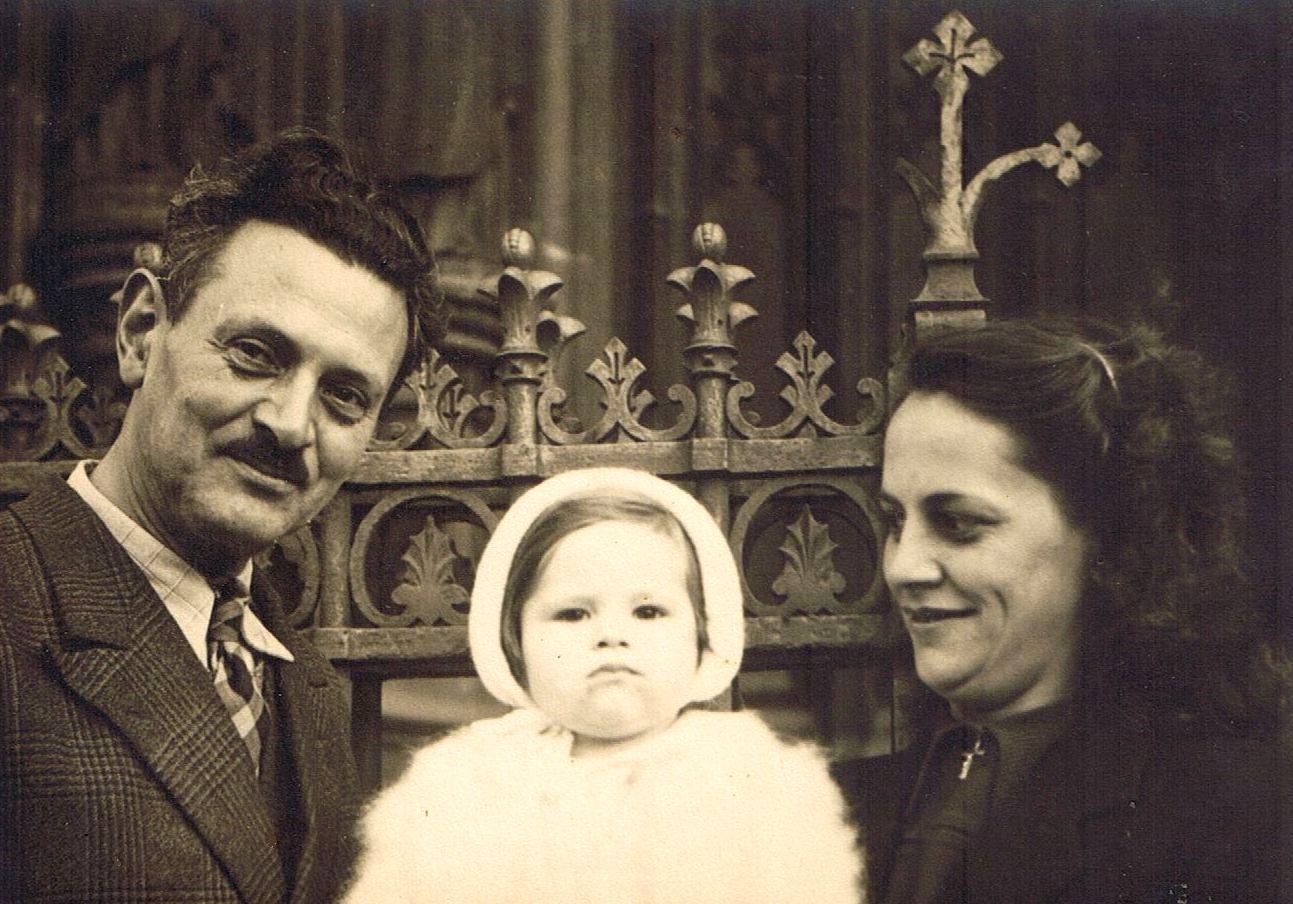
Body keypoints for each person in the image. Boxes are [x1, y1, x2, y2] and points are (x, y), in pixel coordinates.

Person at [0, 129, 442, 904]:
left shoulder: (298, 680)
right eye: (255, 354)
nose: (291, 422)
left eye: (345, 395)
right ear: (141, 333)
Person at [833, 317, 1289, 903]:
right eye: (897, 521)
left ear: (1109, 534)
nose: (902, 567)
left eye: (960, 524)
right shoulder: (834, 811)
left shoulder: (1236, 818)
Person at [343, 467, 863, 903]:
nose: (612, 636)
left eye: (648, 611)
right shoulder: (462, 784)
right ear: (514, 640)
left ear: (705, 633)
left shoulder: (756, 778)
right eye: (572, 614)